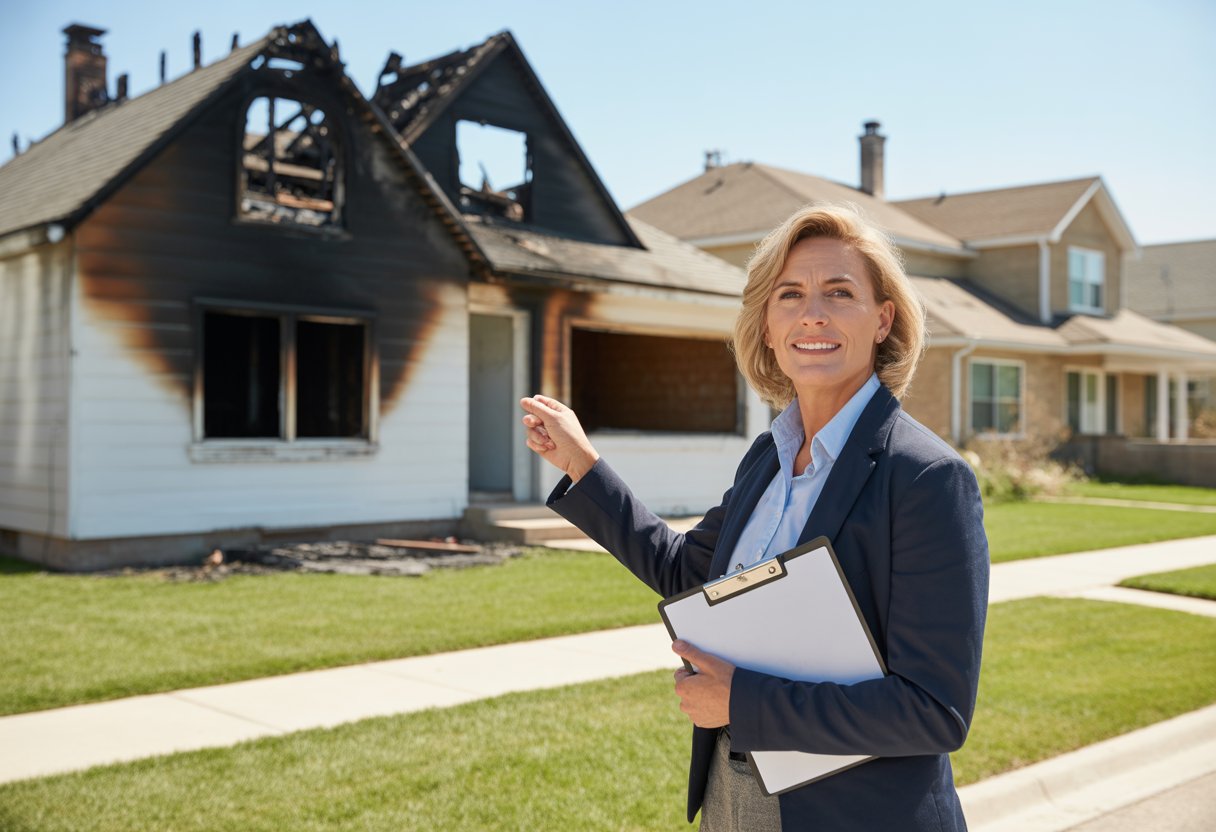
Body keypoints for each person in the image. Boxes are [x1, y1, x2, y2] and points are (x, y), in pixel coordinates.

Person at [520, 204, 989, 831]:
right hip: (732, 791)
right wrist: (582, 464)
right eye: (789, 294)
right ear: (767, 326)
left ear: (883, 320)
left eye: (839, 292)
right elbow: (688, 571)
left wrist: (741, 700)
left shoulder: (927, 478)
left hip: (857, 814)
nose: (812, 313)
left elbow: (934, 710)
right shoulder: (767, 458)